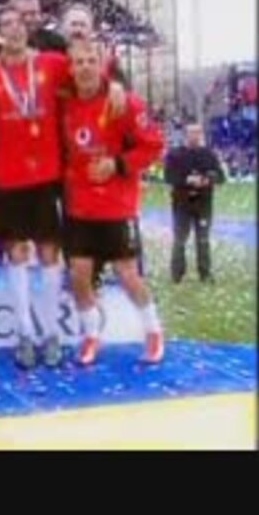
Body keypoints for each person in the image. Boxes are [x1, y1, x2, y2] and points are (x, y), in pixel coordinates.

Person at [0, 6, 125, 369]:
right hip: (8, 176)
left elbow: (87, 69)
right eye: (6, 25)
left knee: (48, 255)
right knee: (16, 254)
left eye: (19, 24)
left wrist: (114, 82)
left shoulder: (52, 63)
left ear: (27, 30)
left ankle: (51, 333)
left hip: (47, 174)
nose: (14, 31)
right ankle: (24, 334)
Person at [62, 41, 165, 364]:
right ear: (70, 68)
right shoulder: (65, 104)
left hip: (117, 206)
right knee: (79, 275)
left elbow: (154, 146)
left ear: (102, 64)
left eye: (91, 60)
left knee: (128, 274)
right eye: (79, 62)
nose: (85, 67)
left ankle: (153, 331)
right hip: (80, 205)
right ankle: (92, 335)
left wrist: (117, 164)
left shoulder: (125, 103)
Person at [164, 122, 225, 283]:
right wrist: (186, 180)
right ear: (185, 135)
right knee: (180, 239)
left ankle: (205, 273)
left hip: (203, 203)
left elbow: (221, 177)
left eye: (198, 133)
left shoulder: (209, 154)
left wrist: (208, 180)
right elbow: (168, 177)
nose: (195, 136)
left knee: (203, 239)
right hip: (182, 203)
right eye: (192, 133)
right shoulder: (175, 154)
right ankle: (177, 274)